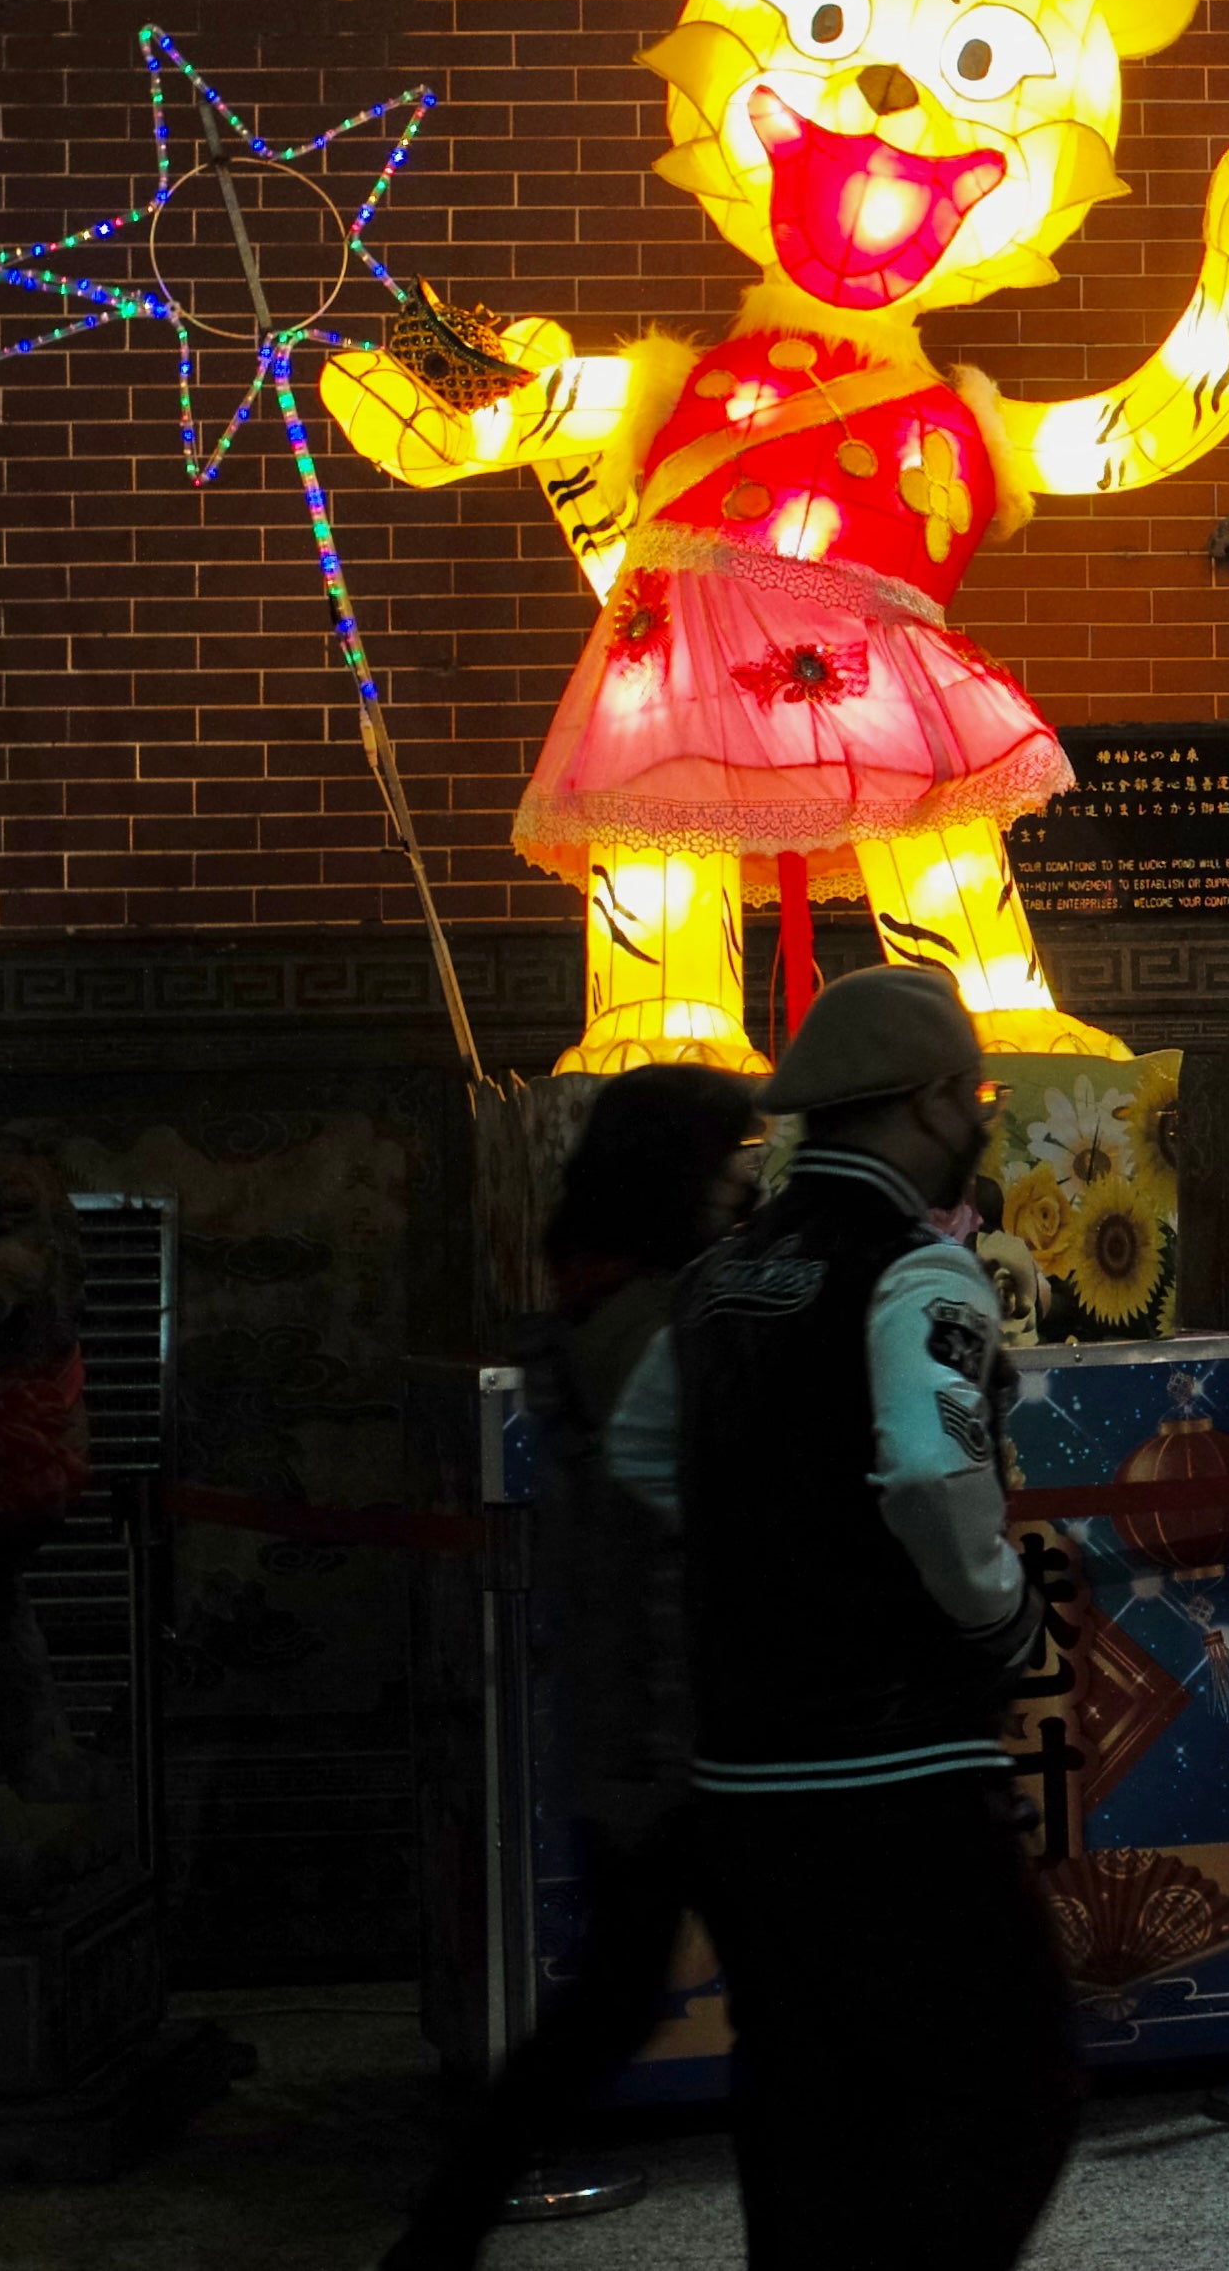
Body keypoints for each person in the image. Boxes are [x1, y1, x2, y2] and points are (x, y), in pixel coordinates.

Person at [602, 969, 1075, 2269]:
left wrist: (775, 1554)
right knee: (1008, 2083)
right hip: (902, 1770)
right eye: (972, 1089)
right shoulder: (920, 1273)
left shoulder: (713, 1279)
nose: (977, 1111)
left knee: (803, 2100)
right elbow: (932, 1472)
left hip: (747, 1775)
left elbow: (644, 1454)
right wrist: (998, 1614)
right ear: (927, 1098)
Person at [387, 1064, 763, 2271]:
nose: (746, 1175)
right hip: (680, 1720)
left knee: (621, 1996)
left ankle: (446, 2224)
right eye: (728, 1155)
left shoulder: (598, 1295)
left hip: (633, 1715)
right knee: (703, 2000)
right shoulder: (654, 1318)